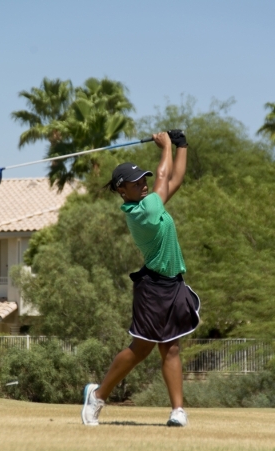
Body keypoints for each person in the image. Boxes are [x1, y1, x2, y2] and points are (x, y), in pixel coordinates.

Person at [81, 130, 200, 427]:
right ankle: (97, 396)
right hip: (153, 288)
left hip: (173, 284)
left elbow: (175, 180)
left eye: (143, 179)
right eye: (136, 182)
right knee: (141, 349)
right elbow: (163, 176)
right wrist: (167, 146)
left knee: (170, 346)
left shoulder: (151, 203)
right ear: (123, 191)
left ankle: (177, 411)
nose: (143, 184)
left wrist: (182, 145)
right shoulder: (141, 212)